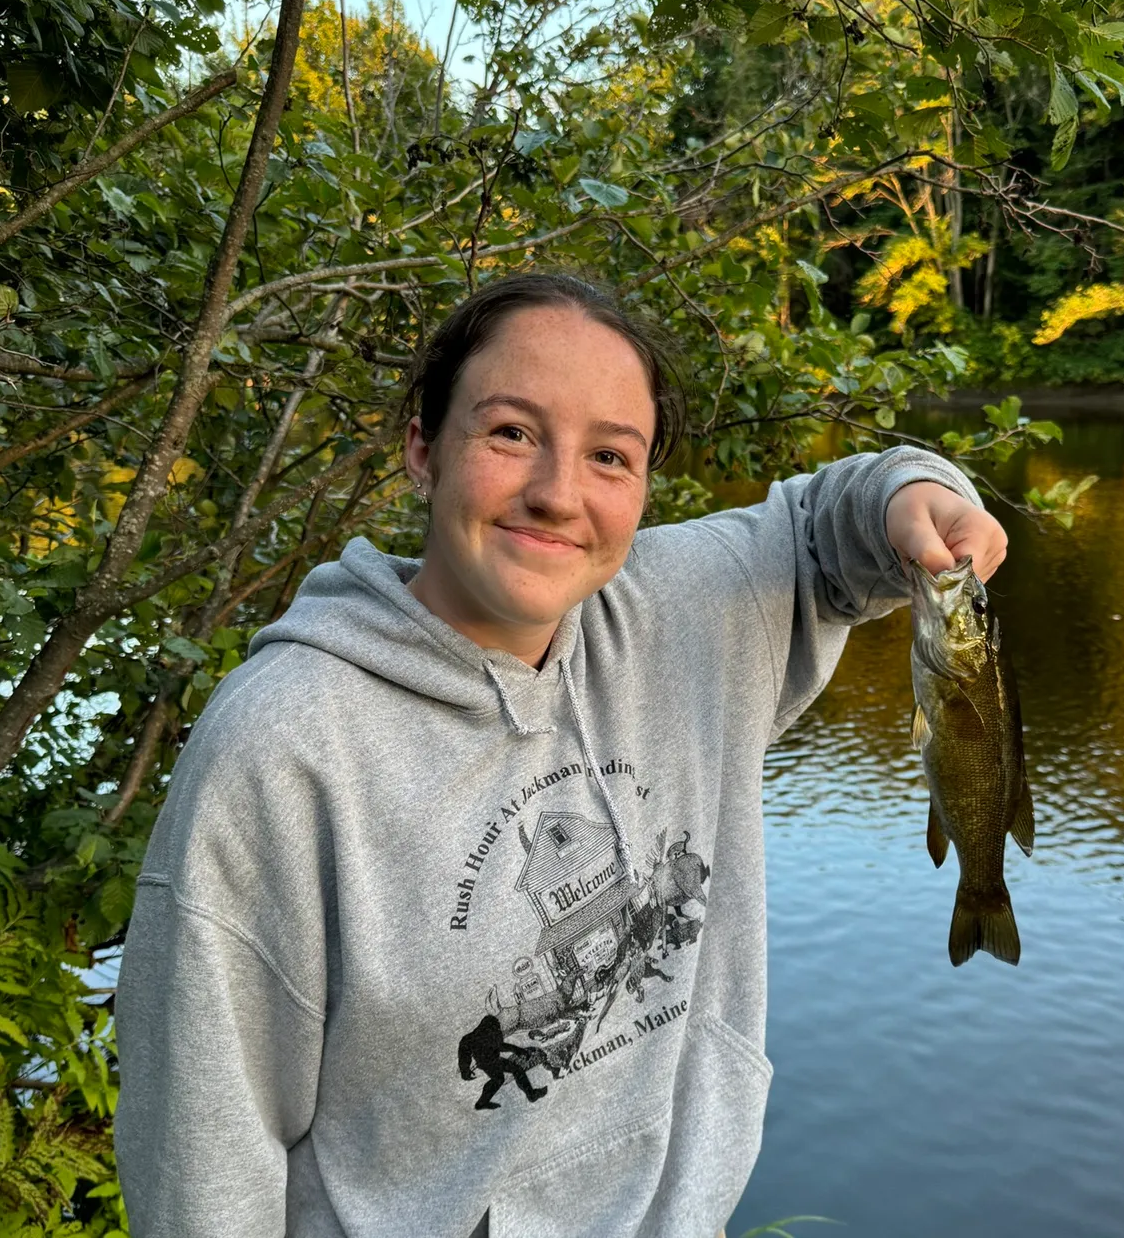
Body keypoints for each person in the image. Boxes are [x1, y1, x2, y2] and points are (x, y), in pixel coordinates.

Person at [114, 271, 1008, 1238]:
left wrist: (924, 495)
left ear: (645, 486)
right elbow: (203, 1162)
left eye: (611, 456)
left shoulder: (682, 613)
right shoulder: (283, 747)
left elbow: (823, 527)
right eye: (511, 433)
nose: (556, 495)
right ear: (423, 448)